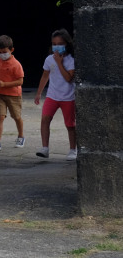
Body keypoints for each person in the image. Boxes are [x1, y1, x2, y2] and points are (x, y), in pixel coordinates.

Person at [34, 29, 76, 160]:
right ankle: (45, 148)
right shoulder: (48, 59)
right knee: (45, 120)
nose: (57, 46)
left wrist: (59, 62)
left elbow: (69, 78)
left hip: (68, 97)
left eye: (60, 43)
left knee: (70, 124)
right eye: (54, 43)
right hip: (52, 95)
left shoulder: (70, 60)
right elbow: (45, 76)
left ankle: (73, 150)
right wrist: (39, 93)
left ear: (67, 44)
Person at [0, 35, 25, 152]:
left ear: (11, 50)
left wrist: (5, 84)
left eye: (4, 52)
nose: (1, 54)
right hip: (0, 94)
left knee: (16, 116)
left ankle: (21, 136)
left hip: (13, 95)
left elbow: (20, 81)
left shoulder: (16, 64)